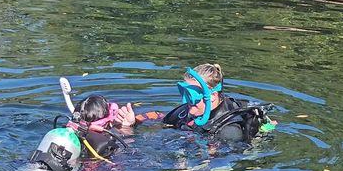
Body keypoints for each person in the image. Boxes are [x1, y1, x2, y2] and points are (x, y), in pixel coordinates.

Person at [113, 63, 274, 142]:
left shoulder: (230, 131)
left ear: (211, 96)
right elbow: (161, 122)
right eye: (185, 93)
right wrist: (131, 125)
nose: (187, 101)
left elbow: (219, 165)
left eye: (193, 95)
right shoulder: (188, 111)